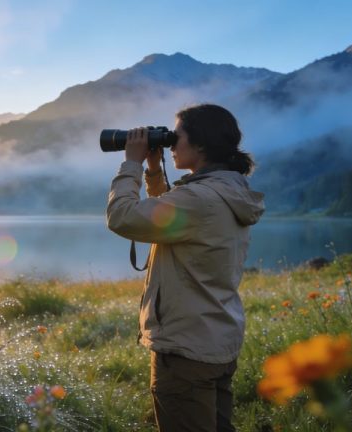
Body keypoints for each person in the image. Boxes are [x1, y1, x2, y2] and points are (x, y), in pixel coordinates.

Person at [106, 104, 265, 431]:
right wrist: (153, 171)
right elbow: (173, 219)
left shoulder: (199, 199)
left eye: (177, 136)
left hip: (185, 349)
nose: (171, 144)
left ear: (201, 144)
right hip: (215, 339)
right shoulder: (226, 191)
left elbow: (122, 217)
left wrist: (132, 163)